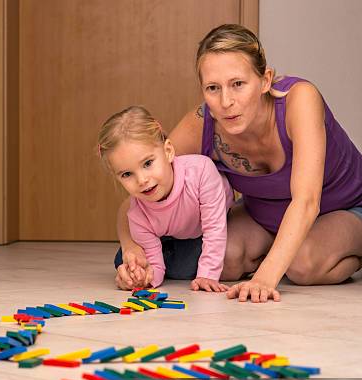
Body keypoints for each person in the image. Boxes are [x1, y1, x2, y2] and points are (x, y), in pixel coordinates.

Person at [115, 24, 362, 302]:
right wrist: (132, 248)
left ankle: (336, 249)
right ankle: (283, 251)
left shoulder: (300, 99)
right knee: (224, 261)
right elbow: (137, 198)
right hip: (265, 215)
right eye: (212, 88)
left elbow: (306, 201)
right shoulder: (201, 123)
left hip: (342, 208)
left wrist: (265, 279)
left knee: (304, 265)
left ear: (265, 80)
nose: (225, 102)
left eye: (238, 84)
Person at [97, 105, 234, 291]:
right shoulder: (137, 215)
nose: (142, 180)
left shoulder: (201, 172)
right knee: (125, 259)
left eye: (148, 163)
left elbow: (214, 229)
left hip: (217, 221)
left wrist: (207, 276)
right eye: (127, 174)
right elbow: (155, 264)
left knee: (196, 260)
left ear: (168, 151)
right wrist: (147, 278)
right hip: (176, 232)